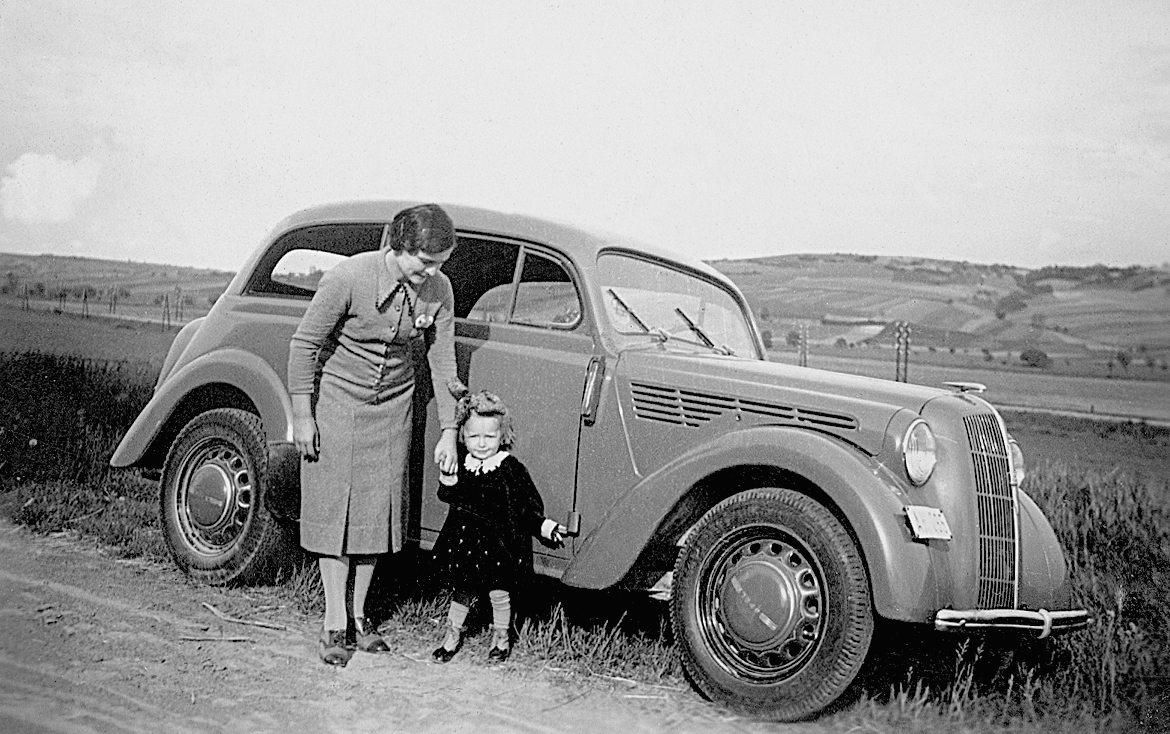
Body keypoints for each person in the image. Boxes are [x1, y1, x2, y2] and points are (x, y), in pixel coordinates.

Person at [287, 203, 460, 667]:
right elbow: (304, 345)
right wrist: (303, 416)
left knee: (376, 512)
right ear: (400, 246)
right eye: (426, 262)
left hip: (394, 409)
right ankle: (333, 622)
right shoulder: (349, 277)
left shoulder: (439, 289)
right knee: (335, 511)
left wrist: (449, 430)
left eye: (441, 263)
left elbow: (443, 361)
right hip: (339, 403)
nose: (433, 272)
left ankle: (359, 617)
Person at [430, 388, 565, 663]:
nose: (481, 444)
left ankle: (500, 639)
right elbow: (448, 496)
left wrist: (543, 526)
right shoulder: (464, 463)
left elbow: (525, 505)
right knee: (462, 590)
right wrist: (447, 477)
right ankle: (452, 636)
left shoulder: (509, 468)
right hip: (466, 542)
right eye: (473, 437)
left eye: (489, 437)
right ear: (463, 435)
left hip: (498, 544)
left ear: (501, 435)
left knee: (499, 592)